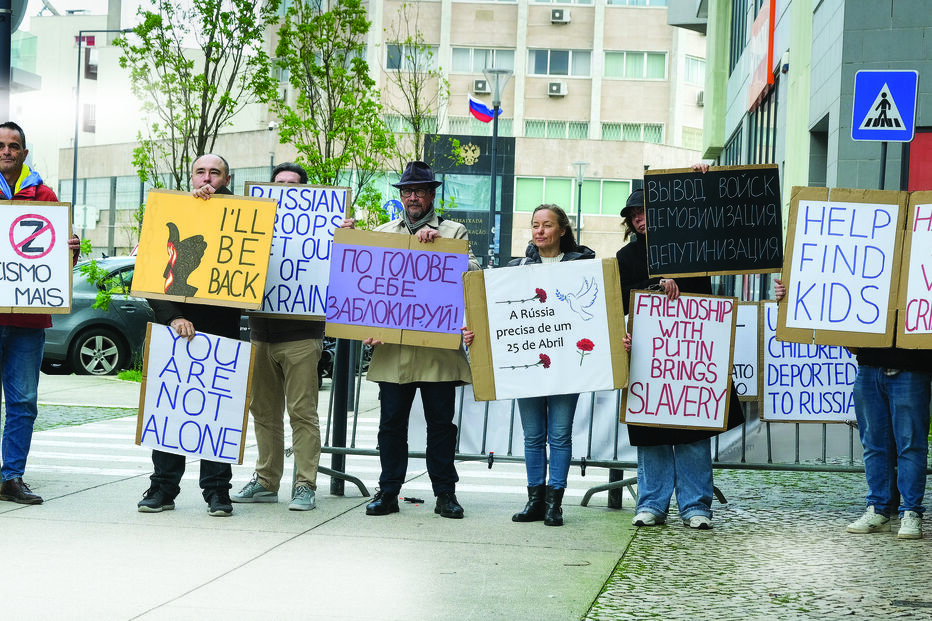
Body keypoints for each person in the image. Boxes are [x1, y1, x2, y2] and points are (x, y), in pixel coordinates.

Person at [341, 161, 479, 519]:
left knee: (441, 427)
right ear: (401, 196)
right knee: (390, 426)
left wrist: (442, 249)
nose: (413, 197)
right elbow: (363, 284)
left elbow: (474, 276)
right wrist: (348, 240)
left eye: (419, 191)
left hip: (437, 350)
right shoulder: (384, 232)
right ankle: (388, 492)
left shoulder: (455, 230)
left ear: (432, 194)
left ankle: (445, 494)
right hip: (393, 351)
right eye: (407, 191)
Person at [618, 181, 744, 530]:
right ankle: (651, 504)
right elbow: (620, 299)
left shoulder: (691, 247)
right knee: (651, 432)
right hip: (649, 358)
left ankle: (695, 506)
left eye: (644, 212)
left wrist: (702, 176)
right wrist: (654, 288)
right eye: (633, 215)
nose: (639, 219)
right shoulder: (625, 258)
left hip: (689, 357)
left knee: (692, 431)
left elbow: (704, 290)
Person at [462, 204, 595, 526]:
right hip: (530, 363)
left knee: (560, 435)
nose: (540, 231)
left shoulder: (584, 266)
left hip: (566, 367)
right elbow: (498, 314)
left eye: (547, 225)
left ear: (563, 230)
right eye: (535, 225)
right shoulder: (515, 269)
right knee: (533, 436)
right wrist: (475, 333)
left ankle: (555, 503)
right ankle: (535, 499)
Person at [773, 280, 931, 539]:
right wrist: (791, 293)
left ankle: (911, 512)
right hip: (869, 367)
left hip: (912, 368)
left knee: (910, 445)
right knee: (874, 444)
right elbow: (828, 290)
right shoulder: (868, 266)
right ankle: (878, 508)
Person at [137, 153, 242, 517]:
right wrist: (173, 317)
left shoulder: (244, 216)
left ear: (227, 178)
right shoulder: (170, 210)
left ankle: (217, 492)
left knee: (215, 412)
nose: (207, 178)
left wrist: (221, 206)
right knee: (172, 411)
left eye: (215, 172)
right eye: (201, 171)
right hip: (177, 330)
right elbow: (152, 274)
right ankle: (163, 488)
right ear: (191, 176)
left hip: (223, 330)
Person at [232, 162, 323, 511]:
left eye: (293, 184)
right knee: (263, 413)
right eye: (279, 183)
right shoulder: (253, 224)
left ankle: (305, 485)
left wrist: (344, 232)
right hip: (260, 333)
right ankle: (266, 480)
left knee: (302, 413)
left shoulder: (322, 225)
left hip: (301, 335)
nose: (285, 187)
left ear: (306, 191)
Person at [0, 121, 80, 505]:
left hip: (28, 320)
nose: (7, 151)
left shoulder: (44, 195)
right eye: (1, 144)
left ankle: (11, 477)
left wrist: (70, 249)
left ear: (24, 153)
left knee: (23, 401)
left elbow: (55, 257)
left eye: (14, 145)